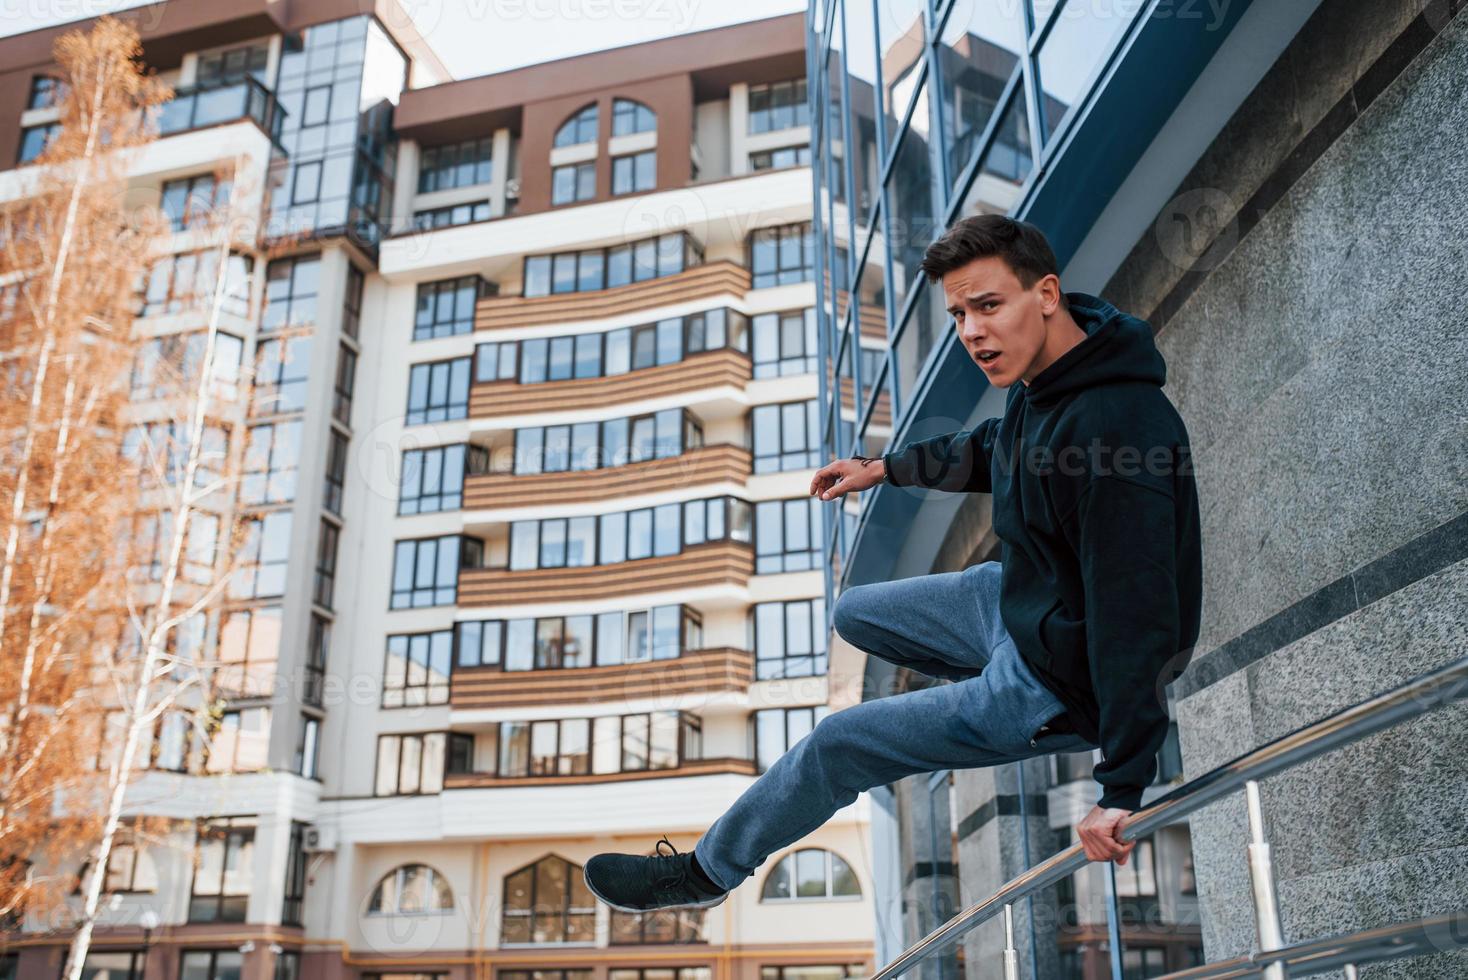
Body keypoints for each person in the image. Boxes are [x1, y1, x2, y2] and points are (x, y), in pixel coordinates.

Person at [583, 213, 1203, 914]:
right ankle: (964, 699)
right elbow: (994, 445)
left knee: (841, 740)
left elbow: (1137, 616)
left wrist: (1120, 787)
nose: (971, 332)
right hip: (1023, 604)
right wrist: (883, 468)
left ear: (1048, 293)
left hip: (1063, 672)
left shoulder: (1115, 430)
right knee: (855, 611)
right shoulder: (1051, 376)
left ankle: (703, 873)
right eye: (960, 314)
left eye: (989, 306)